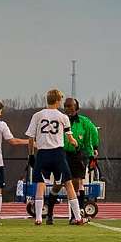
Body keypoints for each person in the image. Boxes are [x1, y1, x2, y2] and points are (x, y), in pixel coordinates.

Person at [26, 89, 85, 226]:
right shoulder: (63, 117)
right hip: (58, 153)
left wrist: (30, 155)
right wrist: (76, 144)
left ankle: (39, 218)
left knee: (40, 185)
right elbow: (70, 139)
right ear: (58, 101)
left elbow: (30, 138)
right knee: (68, 184)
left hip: (42, 153)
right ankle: (77, 217)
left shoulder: (37, 115)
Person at [63, 98, 100, 216]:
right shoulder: (61, 120)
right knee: (60, 183)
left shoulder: (84, 122)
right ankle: (50, 214)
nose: (68, 109)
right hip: (63, 153)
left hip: (78, 153)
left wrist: (94, 148)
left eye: (71, 107)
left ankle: (79, 209)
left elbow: (93, 133)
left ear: (76, 108)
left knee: (78, 180)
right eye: (66, 106)